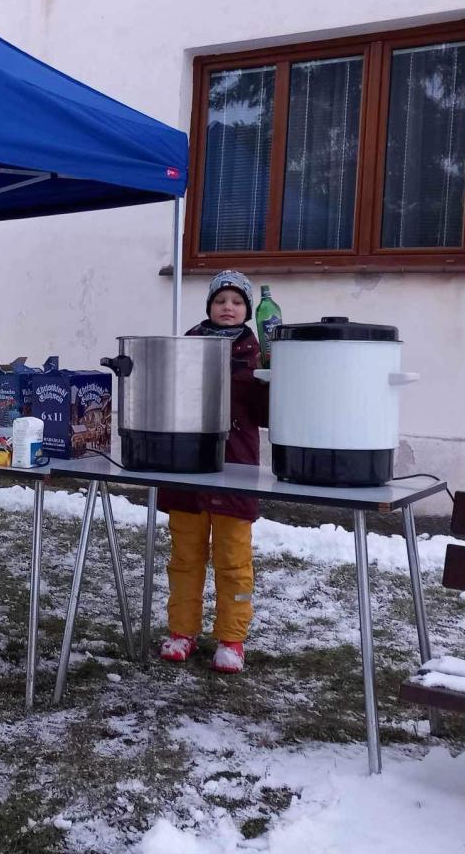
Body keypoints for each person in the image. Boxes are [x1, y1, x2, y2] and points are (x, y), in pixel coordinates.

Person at [159, 269, 269, 673]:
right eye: (220, 300)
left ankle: (231, 639)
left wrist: (272, 379)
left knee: (233, 560)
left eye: (237, 302)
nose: (228, 307)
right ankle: (182, 632)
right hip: (187, 466)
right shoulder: (187, 345)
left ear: (248, 311)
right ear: (209, 306)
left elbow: (267, 415)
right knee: (184, 557)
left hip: (236, 467)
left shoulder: (259, 353)